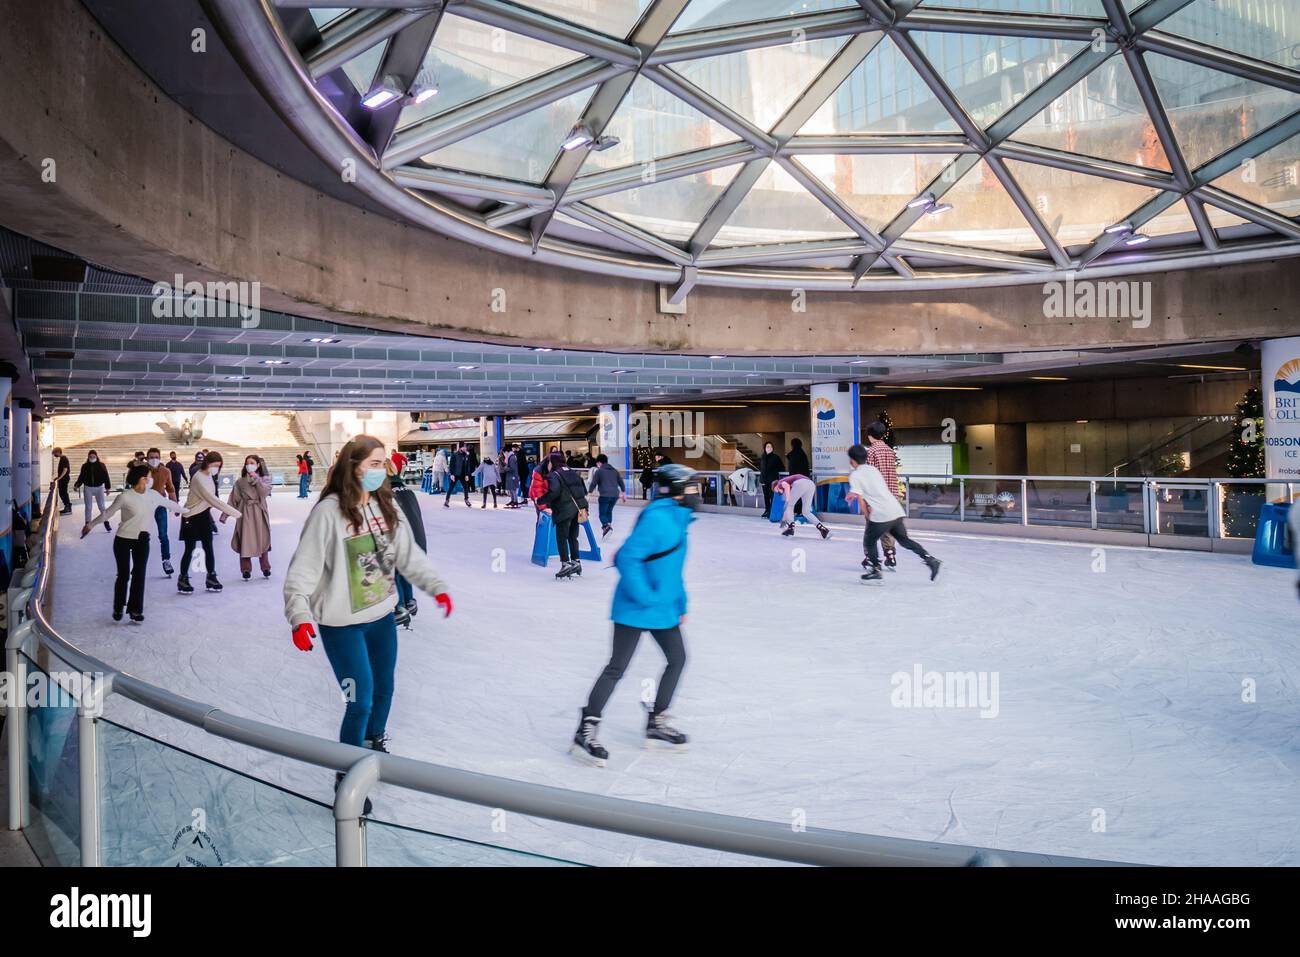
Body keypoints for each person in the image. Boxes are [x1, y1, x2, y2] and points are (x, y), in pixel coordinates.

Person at [283, 435, 453, 810]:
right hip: (341, 625)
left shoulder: (384, 505)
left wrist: (435, 586)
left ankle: (374, 744)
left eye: (383, 464)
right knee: (359, 700)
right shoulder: (328, 513)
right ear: (353, 466)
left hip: (381, 617)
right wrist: (299, 616)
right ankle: (346, 777)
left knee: (385, 690)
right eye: (374, 464)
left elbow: (409, 555)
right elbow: (303, 570)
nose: (381, 471)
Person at [571, 464, 698, 766]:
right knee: (617, 667)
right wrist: (647, 597)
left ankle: (656, 722)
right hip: (634, 606)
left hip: (663, 608)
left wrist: (679, 604)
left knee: (678, 659)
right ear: (675, 491)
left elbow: (671, 569)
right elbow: (628, 558)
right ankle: (586, 729)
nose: (697, 494)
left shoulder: (679, 520)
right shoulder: (658, 518)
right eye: (691, 488)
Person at [81, 463, 191, 623]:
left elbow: (172, 505)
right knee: (124, 575)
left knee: (139, 575)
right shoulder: (125, 497)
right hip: (123, 540)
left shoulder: (153, 495)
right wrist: (90, 525)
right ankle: (118, 606)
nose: (151, 479)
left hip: (142, 540)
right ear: (142, 478)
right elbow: (108, 514)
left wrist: (189, 511)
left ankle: (135, 610)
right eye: (149, 476)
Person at [847, 444, 940, 584]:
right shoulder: (873, 470)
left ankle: (876, 571)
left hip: (881, 514)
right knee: (904, 540)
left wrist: (867, 515)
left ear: (852, 460)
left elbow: (860, 499)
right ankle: (930, 559)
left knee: (869, 541)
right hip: (895, 510)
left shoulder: (855, 475)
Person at [178, 451, 242, 594]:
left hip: (204, 516)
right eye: (215, 465)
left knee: (208, 547)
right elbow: (212, 500)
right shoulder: (199, 478)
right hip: (191, 516)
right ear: (207, 463)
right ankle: (183, 579)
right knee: (190, 549)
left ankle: (211, 577)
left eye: (219, 467)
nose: (216, 469)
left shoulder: (210, 477)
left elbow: (212, 499)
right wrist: (237, 514)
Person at [385, 459, 427, 628]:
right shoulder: (407, 490)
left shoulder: (386, 494)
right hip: (417, 540)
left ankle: (399, 607)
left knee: (392, 571)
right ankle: (409, 601)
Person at [863, 421, 904, 571]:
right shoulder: (890, 451)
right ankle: (891, 556)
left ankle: (870, 557)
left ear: (869, 435)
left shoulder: (871, 452)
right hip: (892, 494)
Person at [225, 455, 273, 581]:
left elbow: (264, 493)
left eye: (252, 463)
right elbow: (233, 499)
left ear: (258, 465)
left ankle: (265, 567)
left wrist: (257, 480)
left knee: (262, 539)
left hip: (260, 511)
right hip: (245, 512)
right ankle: (245, 569)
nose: (249, 465)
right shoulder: (240, 482)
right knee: (245, 540)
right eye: (247, 463)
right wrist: (225, 514)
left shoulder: (265, 479)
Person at [543, 451, 590, 580]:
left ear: (553, 462)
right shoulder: (572, 472)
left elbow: (554, 492)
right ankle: (576, 561)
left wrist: (541, 500)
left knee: (561, 537)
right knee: (572, 537)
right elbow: (583, 490)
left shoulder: (554, 475)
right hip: (578, 508)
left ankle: (565, 563)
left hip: (564, 509)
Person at [145, 447, 179, 576]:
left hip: (160, 505)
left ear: (160, 458)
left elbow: (170, 489)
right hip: (144, 506)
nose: (154, 459)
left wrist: (175, 505)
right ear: (147, 459)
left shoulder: (165, 471)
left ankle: (166, 560)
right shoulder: (141, 471)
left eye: (156, 457)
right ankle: (138, 562)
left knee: (163, 535)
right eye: (151, 457)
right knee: (142, 535)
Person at [772, 473, 830, 539]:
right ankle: (822, 529)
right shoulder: (789, 485)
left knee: (789, 505)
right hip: (811, 484)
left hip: (801, 483)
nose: (779, 492)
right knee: (806, 512)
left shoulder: (780, 483)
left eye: (776, 491)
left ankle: (791, 528)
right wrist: (784, 519)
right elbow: (786, 509)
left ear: (776, 486)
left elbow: (786, 486)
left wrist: (787, 500)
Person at [587, 454, 626, 538]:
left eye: (597, 464)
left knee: (602, 514)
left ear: (599, 463)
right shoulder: (615, 471)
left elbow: (594, 483)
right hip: (615, 495)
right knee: (609, 511)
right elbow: (621, 482)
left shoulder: (599, 471)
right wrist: (623, 493)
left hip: (604, 495)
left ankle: (606, 526)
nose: (597, 465)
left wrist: (589, 493)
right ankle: (608, 526)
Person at [74, 450, 113, 531]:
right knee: (88, 507)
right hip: (88, 488)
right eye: (90, 457)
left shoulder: (101, 465)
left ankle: (106, 522)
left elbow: (106, 476)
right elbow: (81, 477)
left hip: (99, 488)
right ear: (88, 457)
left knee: (101, 506)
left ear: (96, 456)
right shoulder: (85, 466)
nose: (92, 458)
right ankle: (87, 524)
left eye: (93, 456)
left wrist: (108, 488)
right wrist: (77, 485)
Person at [759, 441, 783, 519]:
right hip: (764, 480)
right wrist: (761, 480)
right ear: (765, 448)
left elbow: (782, 467)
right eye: (767, 447)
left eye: (771, 447)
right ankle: (767, 510)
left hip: (773, 481)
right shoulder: (763, 457)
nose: (769, 448)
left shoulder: (776, 457)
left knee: (772, 496)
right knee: (766, 496)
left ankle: (772, 511)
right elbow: (762, 469)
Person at [444, 443, 472, 508]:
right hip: (455, 474)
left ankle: (466, 499)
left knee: (466, 487)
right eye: (464, 447)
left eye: (465, 447)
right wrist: (452, 474)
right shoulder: (454, 455)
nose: (465, 448)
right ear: (460, 448)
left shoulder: (466, 455)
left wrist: (467, 475)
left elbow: (467, 466)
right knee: (451, 488)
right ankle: (447, 501)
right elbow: (451, 465)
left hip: (463, 474)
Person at [53, 447, 73, 514]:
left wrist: (59, 478)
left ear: (58, 452)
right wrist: (57, 477)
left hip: (64, 479)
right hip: (62, 479)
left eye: (54, 453)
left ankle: (68, 507)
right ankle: (67, 506)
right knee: (62, 493)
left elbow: (65, 469)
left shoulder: (64, 458)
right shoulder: (62, 458)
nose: (54, 454)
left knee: (63, 493)